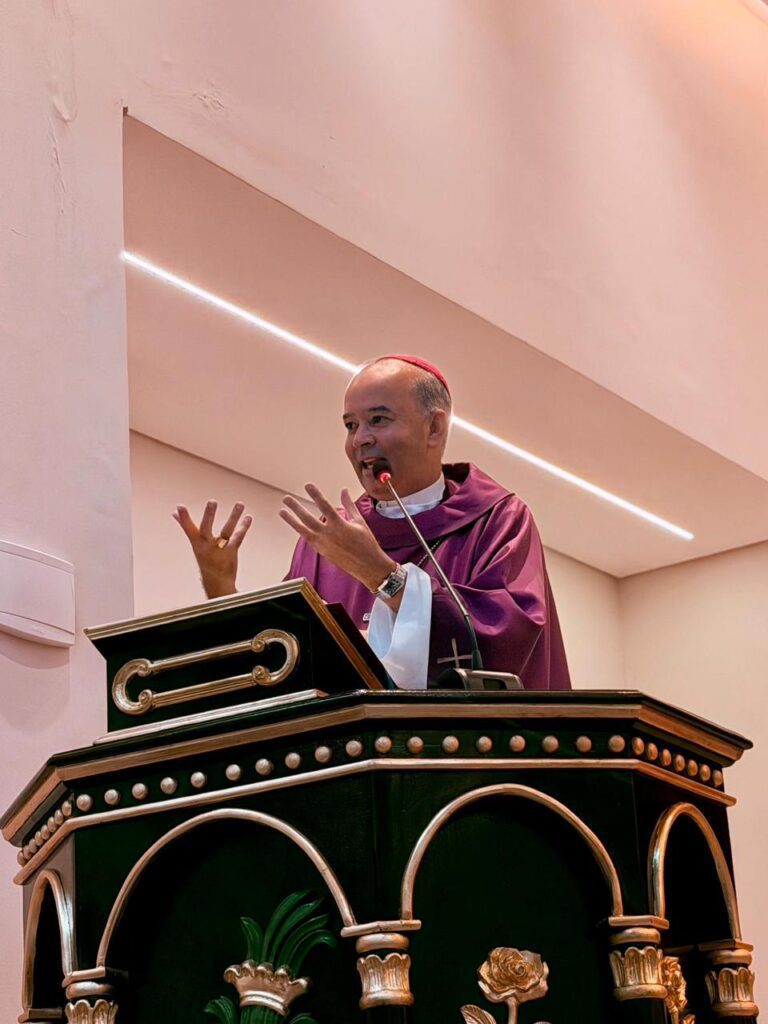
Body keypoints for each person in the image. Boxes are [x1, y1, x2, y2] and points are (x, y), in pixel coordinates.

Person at [174, 355, 571, 690]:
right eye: (351, 425)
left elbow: (506, 639)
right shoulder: (329, 539)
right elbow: (283, 656)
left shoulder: (497, 519)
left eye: (378, 419)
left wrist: (382, 575)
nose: (360, 439)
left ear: (434, 428)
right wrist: (221, 587)